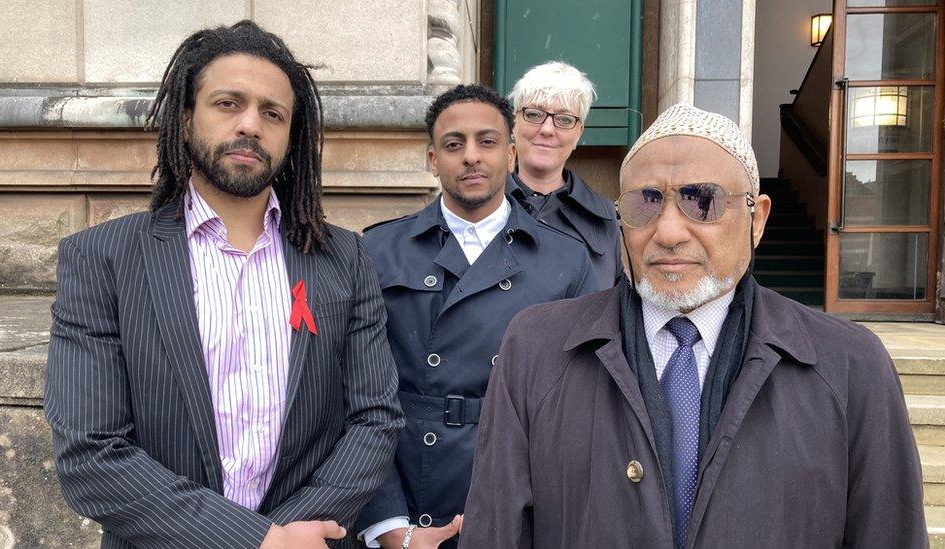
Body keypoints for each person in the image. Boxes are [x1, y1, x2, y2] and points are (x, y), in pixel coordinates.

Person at [459, 103, 927, 548]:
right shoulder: (538, 348)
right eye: (646, 202)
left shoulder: (848, 364)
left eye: (701, 201)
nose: (667, 231)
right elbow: (496, 530)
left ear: (757, 218)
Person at [44, 21, 403, 549]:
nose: (251, 125)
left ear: (290, 135)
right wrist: (254, 540)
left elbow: (374, 419)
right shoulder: (102, 259)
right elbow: (90, 452)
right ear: (186, 118)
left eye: (272, 113)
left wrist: (288, 536)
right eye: (228, 104)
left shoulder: (342, 258)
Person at [355, 84, 596, 549]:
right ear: (431, 160)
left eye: (486, 142)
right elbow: (354, 395)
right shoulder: (376, 251)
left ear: (509, 155)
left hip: (518, 491)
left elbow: (581, 406)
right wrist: (387, 525)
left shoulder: (567, 259)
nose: (470, 157)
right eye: (453, 144)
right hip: (407, 495)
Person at [506, 61, 622, 290]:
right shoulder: (481, 206)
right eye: (534, 114)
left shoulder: (606, 219)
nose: (547, 129)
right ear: (513, 124)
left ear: (579, 133)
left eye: (565, 119)